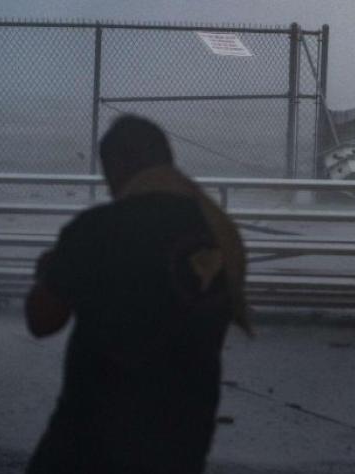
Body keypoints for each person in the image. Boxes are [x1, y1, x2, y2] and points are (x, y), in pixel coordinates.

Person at [25, 115, 250, 474]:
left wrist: (51, 270)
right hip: (184, 429)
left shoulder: (97, 229)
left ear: (119, 165)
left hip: (93, 432)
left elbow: (42, 321)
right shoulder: (217, 234)